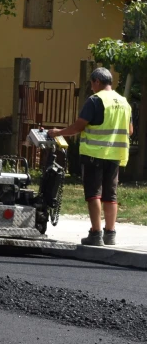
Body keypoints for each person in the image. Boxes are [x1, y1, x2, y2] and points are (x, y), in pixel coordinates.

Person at [48, 67, 132, 246]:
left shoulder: (95, 100)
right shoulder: (124, 102)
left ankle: (96, 233)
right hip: (115, 155)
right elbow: (130, 130)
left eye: (92, 84)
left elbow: (78, 127)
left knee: (94, 194)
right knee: (111, 195)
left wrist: (57, 132)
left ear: (97, 82)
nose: (91, 87)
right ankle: (110, 233)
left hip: (94, 154)